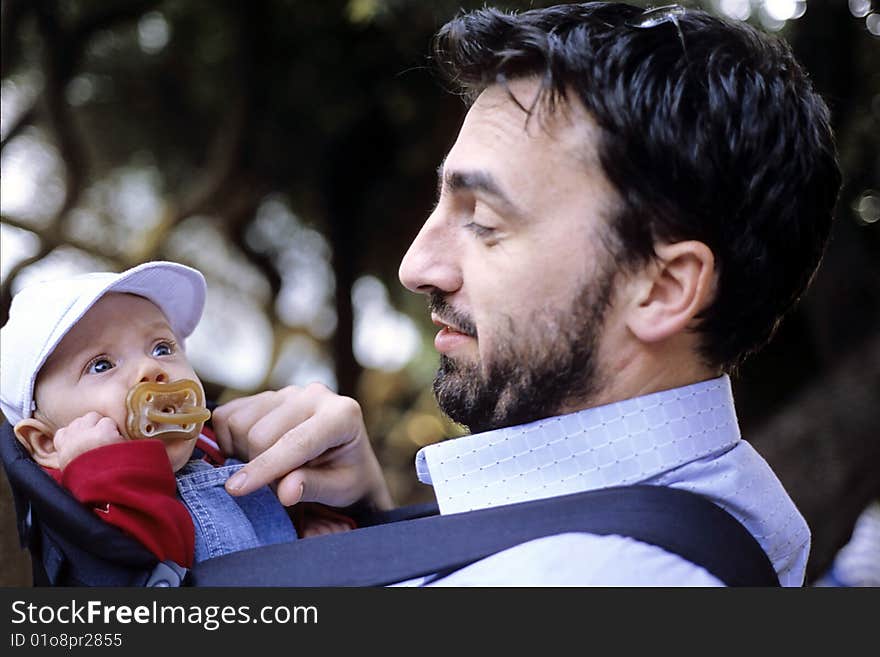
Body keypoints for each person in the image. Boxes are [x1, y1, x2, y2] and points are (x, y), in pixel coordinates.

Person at [209, 2, 842, 586]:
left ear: (662, 287)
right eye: (442, 204)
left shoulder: (586, 576)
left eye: (482, 219)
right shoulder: (727, 508)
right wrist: (373, 532)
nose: (415, 266)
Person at [0, 261, 353, 578]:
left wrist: (310, 520)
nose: (151, 368)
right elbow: (155, 562)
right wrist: (106, 467)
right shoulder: (86, 502)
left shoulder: (216, 443)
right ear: (47, 443)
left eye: (162, 348)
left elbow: (274, 503)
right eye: (101, 365)